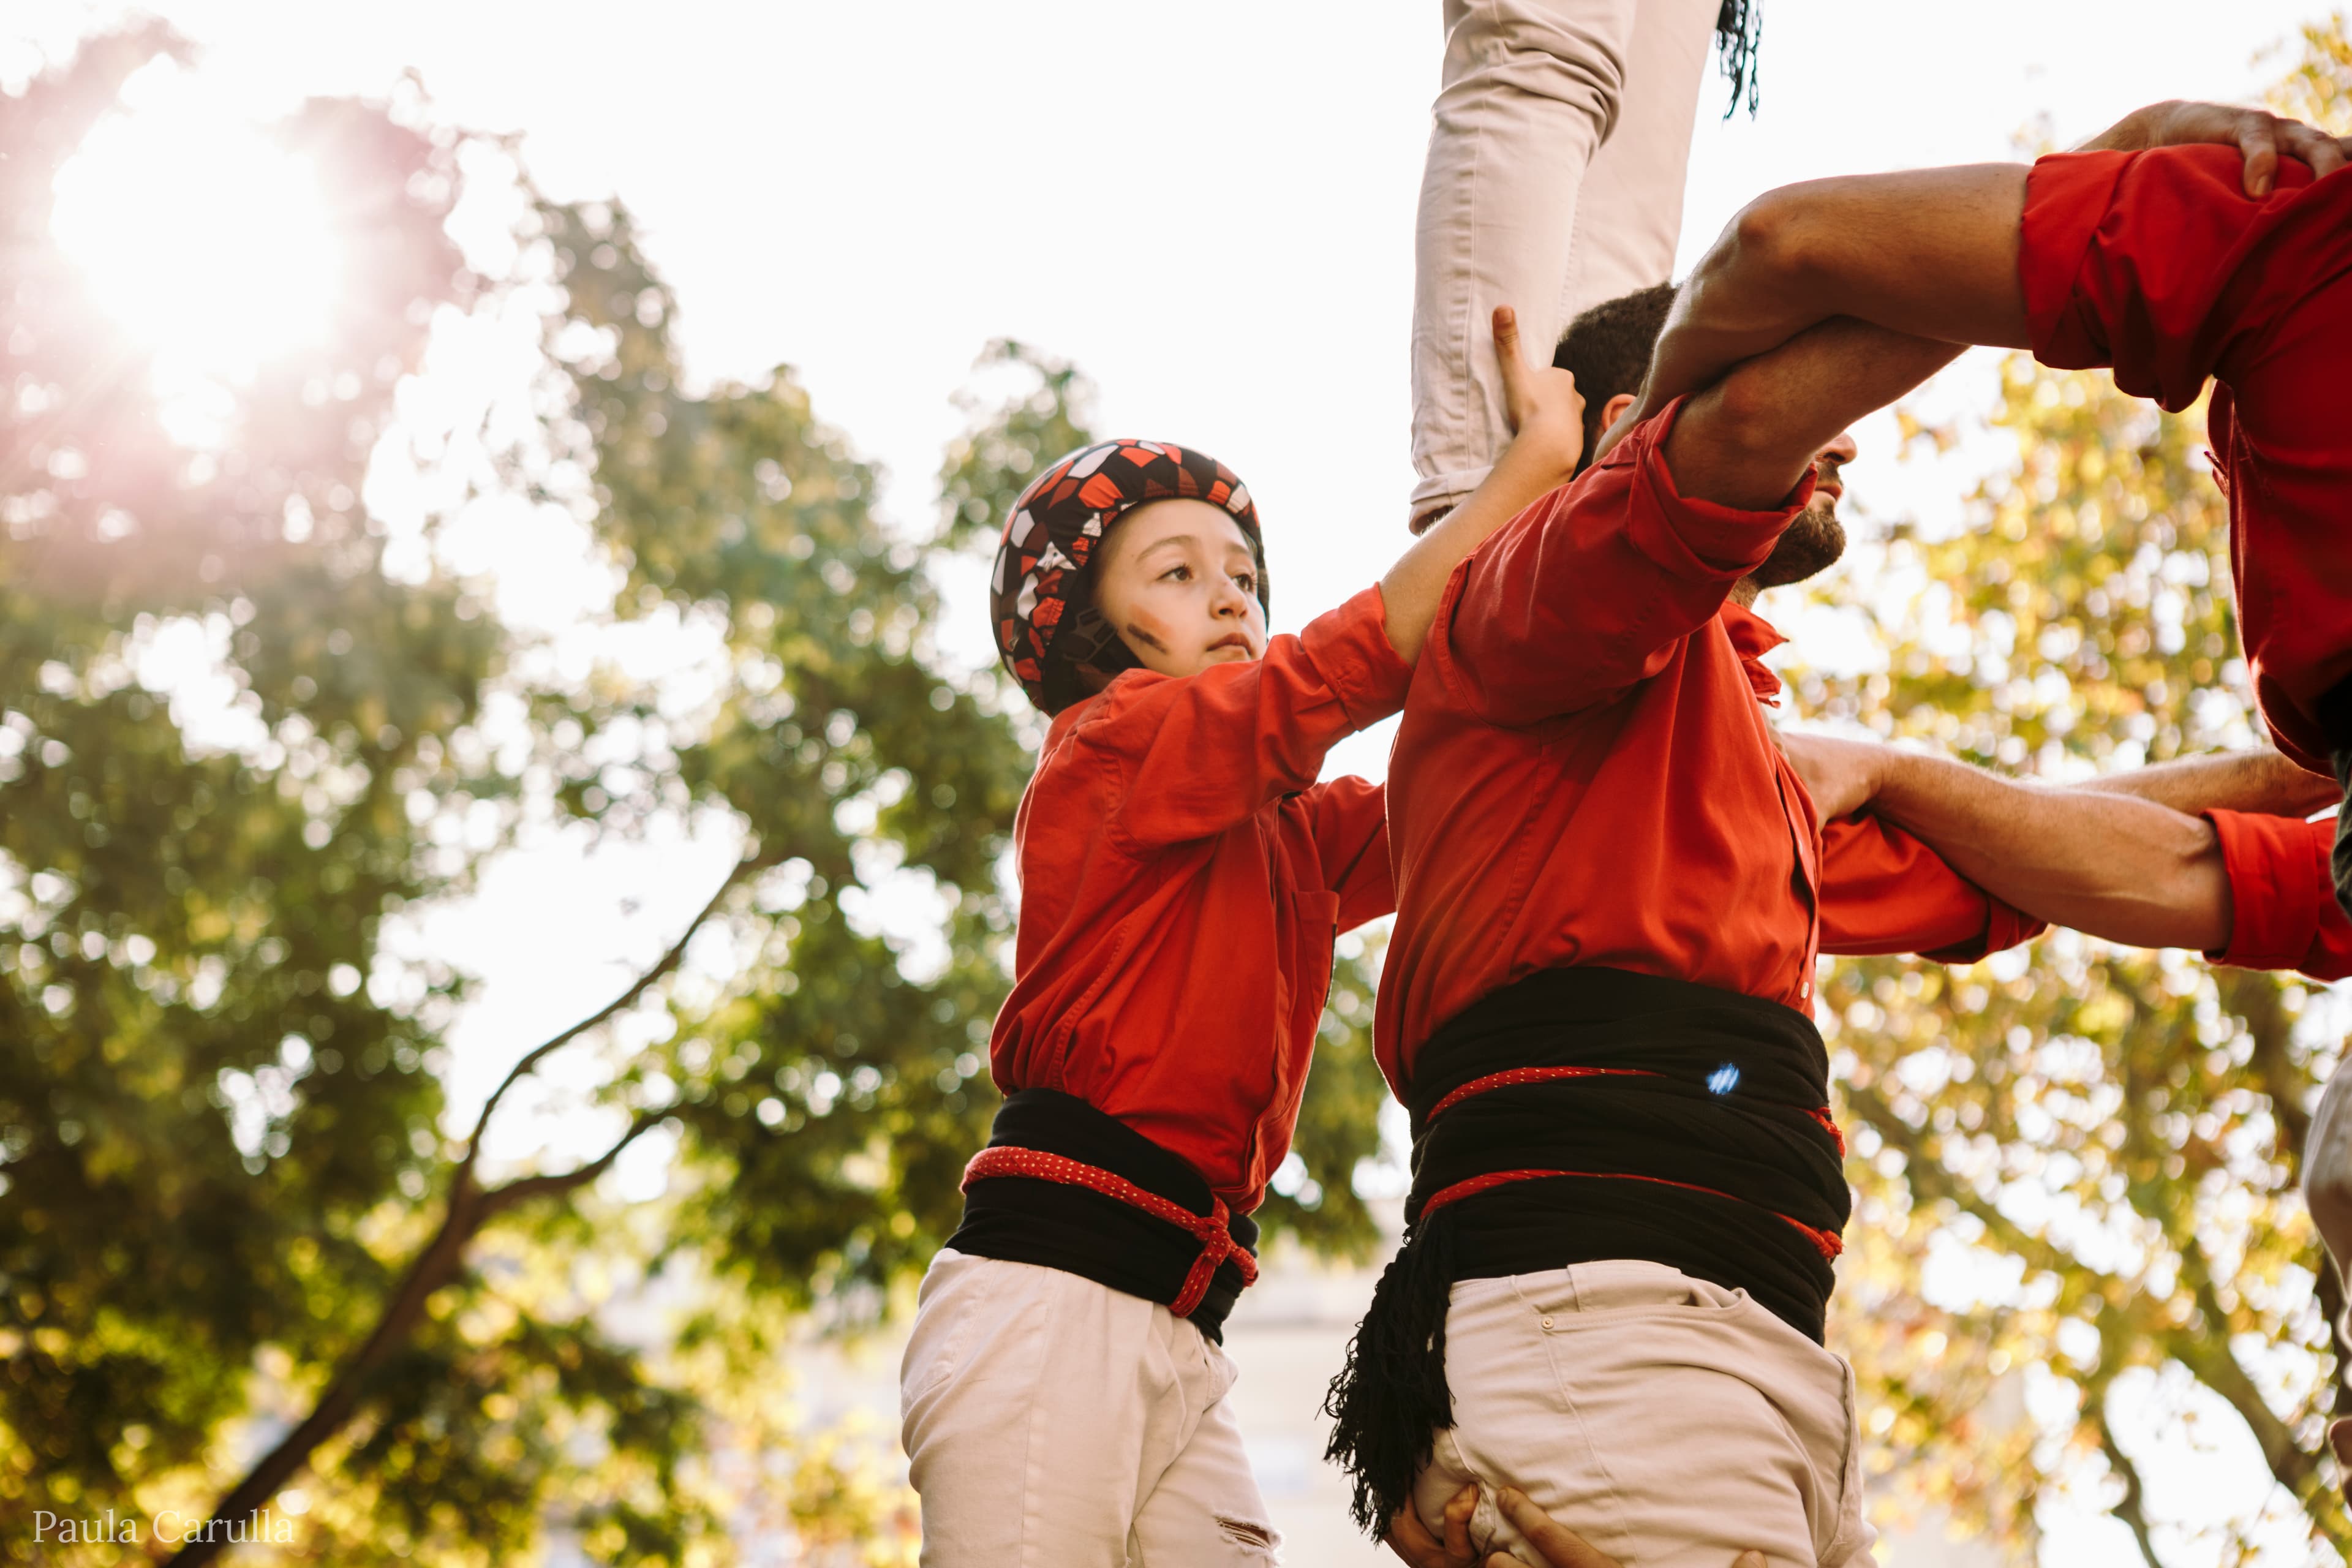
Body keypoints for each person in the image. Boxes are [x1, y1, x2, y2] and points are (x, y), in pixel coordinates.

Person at [1322, 113, 2321, 1568]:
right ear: (1619, 441)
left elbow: (2028, 845)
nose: (1835, 431)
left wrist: (2309, 767)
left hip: (1733, 1345)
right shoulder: (1515, 622)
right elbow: (1731, 433)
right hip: (1612, 1336)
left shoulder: (1737, 750)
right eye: (1792, 379)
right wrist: (2085, 195)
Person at [900, 309, 1585, 1566]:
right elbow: (1333, 673)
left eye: (1240, 571)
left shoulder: (1284, 834)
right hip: (1052, 1301)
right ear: (1102, 634)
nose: (1229, 589)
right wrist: (1531, 467)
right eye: (1174, 570)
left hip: (1181, 1322)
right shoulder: (1114, 743)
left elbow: (1457, 807)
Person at [1623, 99, 2352, 916]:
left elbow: (2107, 861)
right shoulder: (1547, 652)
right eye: (1814, 408)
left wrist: (1894, 773)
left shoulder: (2304, 223)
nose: (1845, 445)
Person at [1409, 0, 1751, 529]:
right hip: (1485, 522)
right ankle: (1475, 515)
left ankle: (1598, 498)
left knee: (1637, 181)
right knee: (1543, 58)